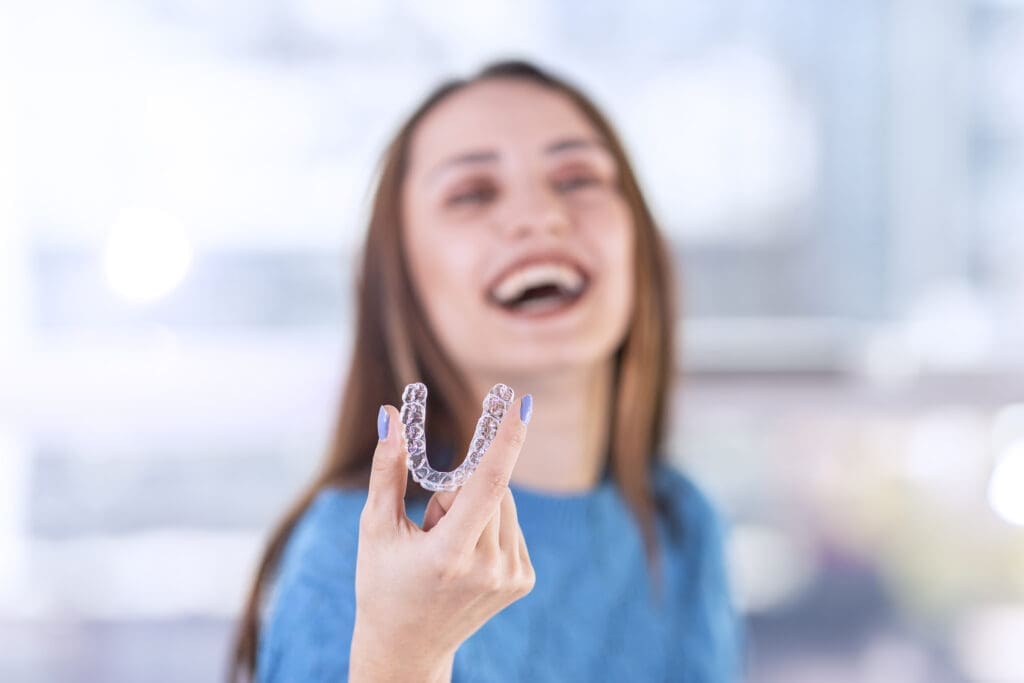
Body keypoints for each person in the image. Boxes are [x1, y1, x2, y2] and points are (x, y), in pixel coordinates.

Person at [230, 58, 743, 682]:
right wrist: (402, 656)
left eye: (578, 177)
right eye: (472, 193)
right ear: (405, 283)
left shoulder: (684, 526)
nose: (539, 216)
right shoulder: (362, 552)